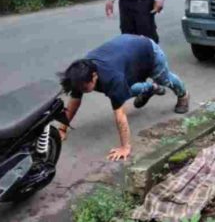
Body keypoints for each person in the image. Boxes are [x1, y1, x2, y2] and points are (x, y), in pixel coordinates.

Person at [59, 34, 190, 161]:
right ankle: (151, 88)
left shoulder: (111, 78)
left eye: (84, 88)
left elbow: (120, 114)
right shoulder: (80, 75)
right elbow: (74, 101)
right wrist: (62, 128)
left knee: (164, 80)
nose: (82, 91)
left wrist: (125, 147)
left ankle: (183, 95)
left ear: (94, 76)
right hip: (128, 55)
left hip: (148, 51)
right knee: (124, 90)